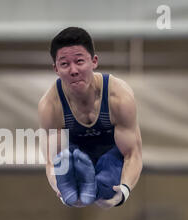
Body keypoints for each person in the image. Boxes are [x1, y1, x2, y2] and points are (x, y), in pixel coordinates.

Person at [38, 27, 143, 209]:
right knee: (64, 159)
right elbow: (50, 160)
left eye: (79, 61)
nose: (73, 70)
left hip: (111, 152)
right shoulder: (50, 105)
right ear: (55, 69)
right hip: (73, 152)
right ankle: (76, 186)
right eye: (64, 64)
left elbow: (133, 154)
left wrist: (124, 191)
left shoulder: (119, 97)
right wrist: (62, 193)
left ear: (94, 61)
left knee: (108, 178)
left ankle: (93, 186)